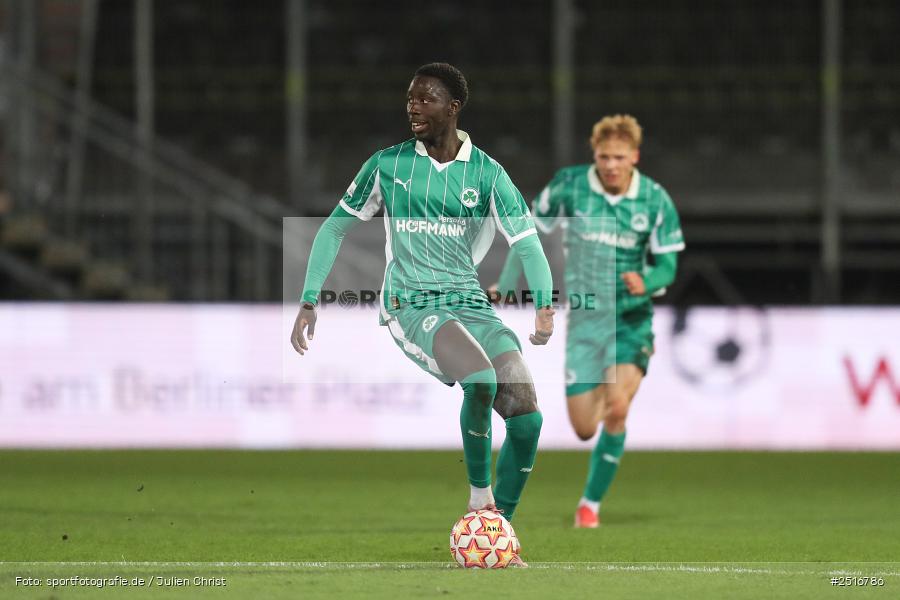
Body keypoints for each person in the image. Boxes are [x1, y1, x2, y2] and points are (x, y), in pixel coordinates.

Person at [290, 63, 555, 564]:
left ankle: (497, 535)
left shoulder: (488, 173)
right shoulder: (388, 166)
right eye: (410, 98)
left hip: (469, 302)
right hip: (412, 303)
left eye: (425, 99)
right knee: (479, 379)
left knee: (527, 423)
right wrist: (309, 298)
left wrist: (544, 308)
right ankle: (481, 503)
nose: (413, 107)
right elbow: (332, 229)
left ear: (453, 107)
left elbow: (527, 242)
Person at [494, 114, 684, 528]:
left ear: (634, 156)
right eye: (603, 157)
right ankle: (605, 391)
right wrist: (507, 282)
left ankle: (589, 506)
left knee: (617, 408)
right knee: (583, 428)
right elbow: (527, 232)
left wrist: (647, 279)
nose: (611, 165)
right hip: (584, 322)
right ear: (593, 155)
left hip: (630, 321)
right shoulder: (570, 185)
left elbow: (668, 264)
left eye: (619, 157)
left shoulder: (655, 200)